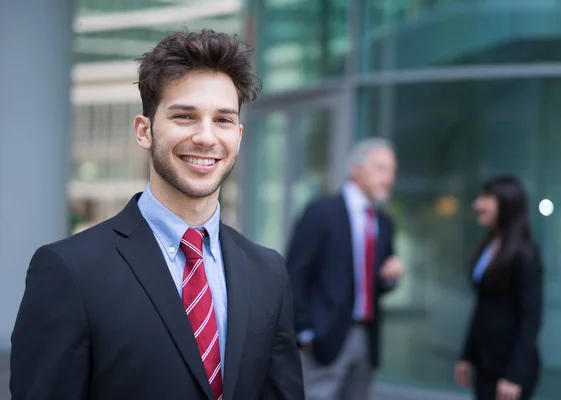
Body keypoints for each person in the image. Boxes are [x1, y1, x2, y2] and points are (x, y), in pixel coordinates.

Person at [10, 30, 304, 400]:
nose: (206, 137)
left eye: (223, 120)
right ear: (144, 130)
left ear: (240, 135)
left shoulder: (268, 272)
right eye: (185, 116)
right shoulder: (69, 271)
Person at [286, 138, 405, 400]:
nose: (389, 178)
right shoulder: (322, 211)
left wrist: (390, 277)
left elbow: (376, 284)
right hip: (323, 336)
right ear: (356, 169)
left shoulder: (384, 222)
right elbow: (295, 273)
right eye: (381, 169)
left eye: (392, 171)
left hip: (366, 338)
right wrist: (305, 331)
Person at [454, 176, 543, 400]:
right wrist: (467, 356)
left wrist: (514, 375)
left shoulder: (524, 254)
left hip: (509, 367)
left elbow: (531, 318)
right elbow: (482, 306)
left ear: (506, 203)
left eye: (485, 198)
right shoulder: (490, 244)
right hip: (485, 362)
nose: (477, 205)